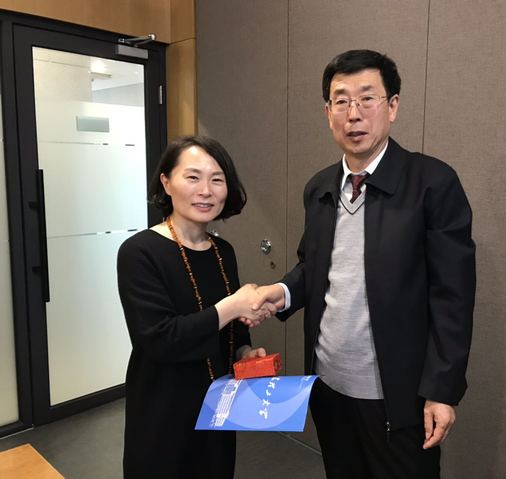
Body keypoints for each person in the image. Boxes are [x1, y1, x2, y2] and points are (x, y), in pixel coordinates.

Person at [253, 50, 476, 478]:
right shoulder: (319, 187)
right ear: (328, 112)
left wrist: (442, 390)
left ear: (392, 106)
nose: (353, 114)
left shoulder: (432, 183)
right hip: (329, 387)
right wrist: (279, 294)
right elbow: (313, 268)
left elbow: (454, 297)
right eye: (341, 101)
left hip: (399, 397)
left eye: (367, 98)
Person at [117, 136, 275, 478]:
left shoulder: (223, 251)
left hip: (218, 407)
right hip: (162, 412)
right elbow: (160, 338)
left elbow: (233, 330)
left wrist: (244, 352)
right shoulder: (139, 252)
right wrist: (232, 305)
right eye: (192, 177)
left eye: (217, 179)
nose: (206, 190)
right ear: (166, 182)